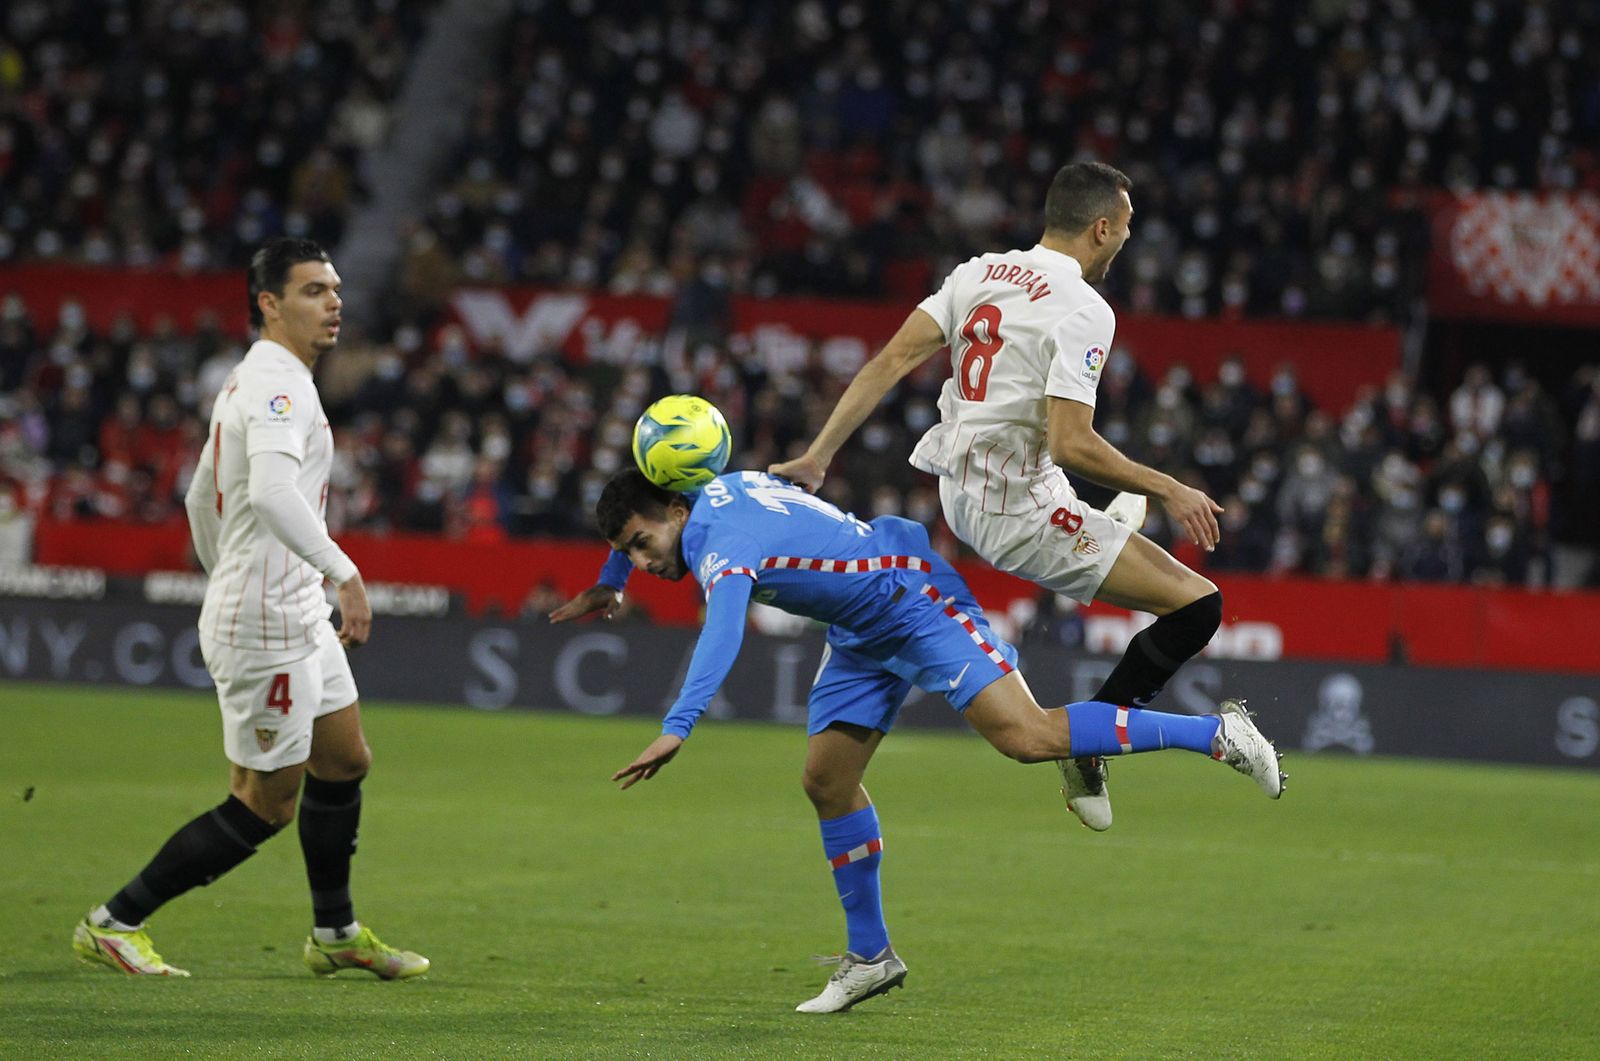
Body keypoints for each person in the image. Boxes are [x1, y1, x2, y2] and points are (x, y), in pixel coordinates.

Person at [557, 469, 1283, 1014]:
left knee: (1028, 737)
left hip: (911, 597)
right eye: (633, 551)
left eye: (643, 545)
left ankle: (1219, 733)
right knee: (826, 780)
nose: (646, 562)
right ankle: (871, 956)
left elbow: (723, 628)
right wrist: (610, 575)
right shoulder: (719, 488)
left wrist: (676, 725)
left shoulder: (723, 542)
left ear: (676, 510)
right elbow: (652, 513)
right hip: (860, 627)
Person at [770, 161, 1228, 830]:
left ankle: (1103, 525)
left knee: (1083, 502)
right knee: (1198, 606)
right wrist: (1170, 487)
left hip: (965, 485)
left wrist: (819, 455)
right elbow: (1073, 442)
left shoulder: (977, 271)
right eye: (1126, 229)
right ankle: (1087, 751)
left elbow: (890, 360)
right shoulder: (1084, 308)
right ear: (1101, 228)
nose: (1128, 240)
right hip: (1018, 512)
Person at [71, 238, 427, 980]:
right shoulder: (277, 387)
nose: (333, 302)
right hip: (270, 619)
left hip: (288, 605)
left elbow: (204, 493)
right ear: (269, 303)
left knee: (346, 757)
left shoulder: (261, 380)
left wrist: (229, 567)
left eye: (334, 288)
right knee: (265, 803)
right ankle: (115, 921)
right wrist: (345, 573)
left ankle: (335, 932)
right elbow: (267, 492)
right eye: (312, 291)